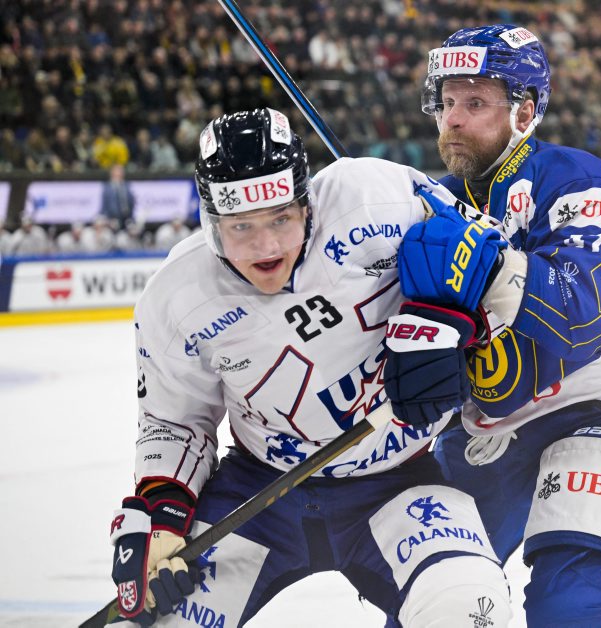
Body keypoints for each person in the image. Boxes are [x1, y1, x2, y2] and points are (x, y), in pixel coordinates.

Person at [107, 108, 511, 627]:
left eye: (281, 218)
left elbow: (494, 257)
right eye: (241, 227)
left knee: (468, 608)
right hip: (259, 492)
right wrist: (161, 517)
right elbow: (173, 421)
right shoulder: (178, 295)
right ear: (211, 223)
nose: (267, 247)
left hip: (398, 480)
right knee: (155, 622)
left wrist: (451, 323)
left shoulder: (373, 198)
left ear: (306, 201)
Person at [389, 24, 601, 627]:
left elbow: (588, 313)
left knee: (572, 606)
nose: (452, 119)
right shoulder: (432, 202)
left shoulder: (576, 179)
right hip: (487, 430)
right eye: (447, 101)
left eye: (475, 103)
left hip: (597, 411)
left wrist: (490, 263)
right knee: (432, 606)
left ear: (524, 111)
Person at [101, 163, 136, 230]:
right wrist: (107, 219)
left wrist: (130, 216)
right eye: (117, 173)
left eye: (120, 173)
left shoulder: (127, 186)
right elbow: (104, 206)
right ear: (112, 174)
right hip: (112, 219)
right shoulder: (107, 188)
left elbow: (131, 202)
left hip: (127, 218)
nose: (119, 175)